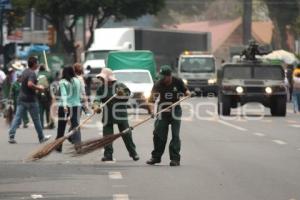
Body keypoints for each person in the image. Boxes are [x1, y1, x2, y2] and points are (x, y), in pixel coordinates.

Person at [146, 65, 191, 167]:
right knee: (158, 134)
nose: (162, 79)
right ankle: (156, 157)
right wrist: (152, 111)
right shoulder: (158, 84)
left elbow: (186, 91)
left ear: (169, 76)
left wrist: (188, 93)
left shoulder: (177, 81)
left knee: (175, 135)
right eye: (161, 77)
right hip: (162, 111)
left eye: (163, 77)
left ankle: (175, 159)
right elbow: (151, 101)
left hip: (175, 111)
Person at [93, 68, 139, 162]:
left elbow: (129, 94)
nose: (101, 80)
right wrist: (96, 106)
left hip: (120, 114)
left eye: (102, 78)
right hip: (108, 115)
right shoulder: (101, 88)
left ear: (109, 78)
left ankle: (133, 153)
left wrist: (123, 94)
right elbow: (97, 98)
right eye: (101, 79)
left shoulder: (119, 86)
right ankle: (108, 154)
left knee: (127, 135)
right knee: (107, 136)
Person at [8, 56, 51, 144]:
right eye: (37, 63)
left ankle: (11, 135)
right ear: (34, 64)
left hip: (21, 98)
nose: (38, 64)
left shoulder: (24, 72)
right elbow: (30, 84)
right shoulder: (32, 73)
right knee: (36, 119)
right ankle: (41, 137)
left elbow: (23, 83)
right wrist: (39, 88)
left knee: (17, 117)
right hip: (31, 100)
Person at [55, 66, 82, 152]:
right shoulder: (78, 81)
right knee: (76, 127)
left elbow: (64, 94)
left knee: (61, 127)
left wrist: (65, 106)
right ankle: (78, 146)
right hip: (76, 106)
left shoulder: (62, 82)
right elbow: (79, 94)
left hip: (64, 106)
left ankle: (58, 146)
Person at [37, 64, 54, 129]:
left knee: (40, 110)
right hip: (47, 93)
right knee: (48, 109)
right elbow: (52, 79)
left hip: (38, 93)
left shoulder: (37, 74)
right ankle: (49, 123)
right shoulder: (48, 74)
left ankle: (41, 125)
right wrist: (49, 71)